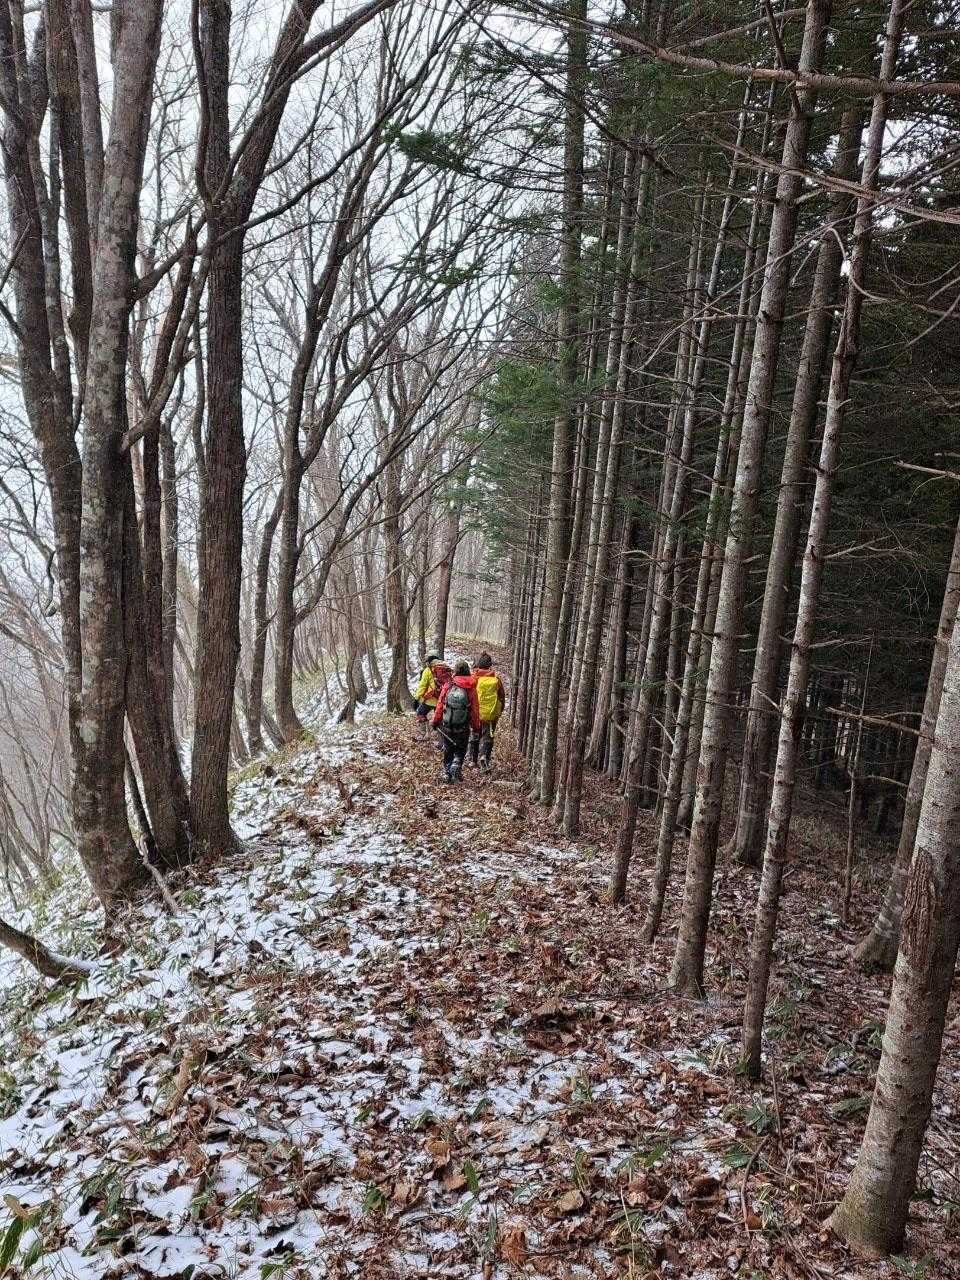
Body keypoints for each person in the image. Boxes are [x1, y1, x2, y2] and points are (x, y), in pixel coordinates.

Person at [432, 660, 480, 783]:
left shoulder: (448, 685)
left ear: (456, 671)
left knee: (448, 748)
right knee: (461, 748)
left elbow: (440, 704)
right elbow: (474, 710)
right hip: (463, 726)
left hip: (447, 725)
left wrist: (435, 721)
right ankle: (456, 764)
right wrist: (476, 727)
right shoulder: (470, 687)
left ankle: (447, 773)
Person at [469, 652, 506, 772]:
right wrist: (499, 711)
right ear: (490, 665)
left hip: (476, 713)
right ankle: (485, 757)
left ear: (478, 664)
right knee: (488, 736)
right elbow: (501, 697)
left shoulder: (474, 678)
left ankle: (472, 760)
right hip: (490, 713)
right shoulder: (496, 679)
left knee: (475, 734)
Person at [413, 654, 450, 733]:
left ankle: (424, 733)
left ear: (429, 662)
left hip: (431, 699)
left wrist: (417, 698)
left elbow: (422, 685)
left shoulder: (428, 670)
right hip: (443, 699)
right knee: (439, 718)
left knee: (420, 713)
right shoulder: (446, 668)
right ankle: (440, 735)